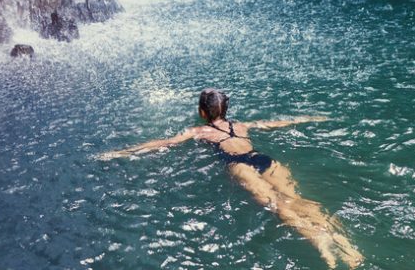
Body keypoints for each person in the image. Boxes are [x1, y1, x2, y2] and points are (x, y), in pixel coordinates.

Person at [100, 88, 363, 269]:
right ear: (225, 109)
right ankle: (345, 244)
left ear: (203, 112)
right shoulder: (241, 125)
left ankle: (321, 245)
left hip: (239, 165)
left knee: (278, 206)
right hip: (264, 159)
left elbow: (165, 143)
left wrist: (122, 152)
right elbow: (276, 123)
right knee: (297, 199)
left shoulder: (200, 131)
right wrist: (314, 118)